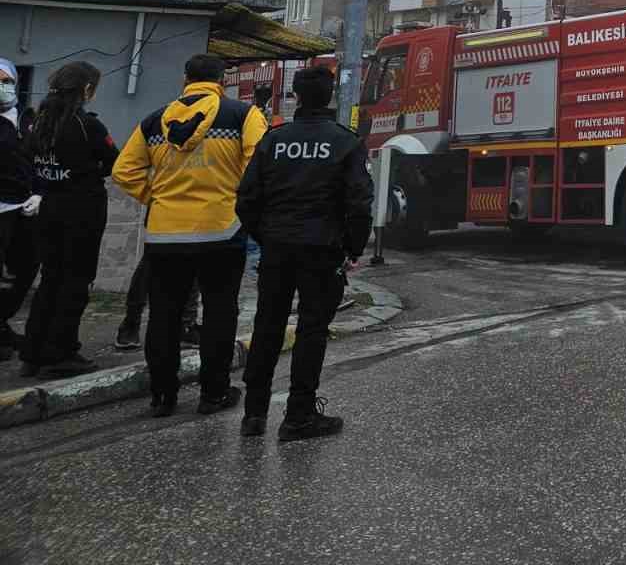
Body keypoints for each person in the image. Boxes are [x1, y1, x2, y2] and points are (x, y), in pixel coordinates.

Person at [113, 53, 266, 417]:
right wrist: (237, 201)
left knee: (163, 314)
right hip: (221, 232)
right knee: (219, 313)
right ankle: (213, 394)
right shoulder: (242, 116)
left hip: (165, 235)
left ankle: (162, 396)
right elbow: (259, 166)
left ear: (185, 80)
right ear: (221, 79)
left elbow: (124, 170)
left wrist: (156, 197)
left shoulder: (154, 121)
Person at [236, 65, 372, 440]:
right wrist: (353, 248)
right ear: (329, 96)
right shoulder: (345, 141)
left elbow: (247, 198)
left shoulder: (273, 140)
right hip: (322, 250)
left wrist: (265, 236)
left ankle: (254, 414)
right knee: (312, 330)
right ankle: (298, 415)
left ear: (295, 96)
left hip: (278, 248)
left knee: (267, 327)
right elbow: (360, 204)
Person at [20, 62, 118, 378]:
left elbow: (30, 162)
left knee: (50, 279)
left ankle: (33, 351)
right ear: (86, 90)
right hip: (82, 211)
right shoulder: (87, 126)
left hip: (48, 208)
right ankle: (60, 351)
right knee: (75, 282)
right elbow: (113, 162)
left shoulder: (38, 122)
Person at [0, 57, 37, 363]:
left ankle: (2, 321)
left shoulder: (27, 118)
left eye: (6, 81)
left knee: (23, 269)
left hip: (24, 206)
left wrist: (38, 192)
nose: (2, 88)